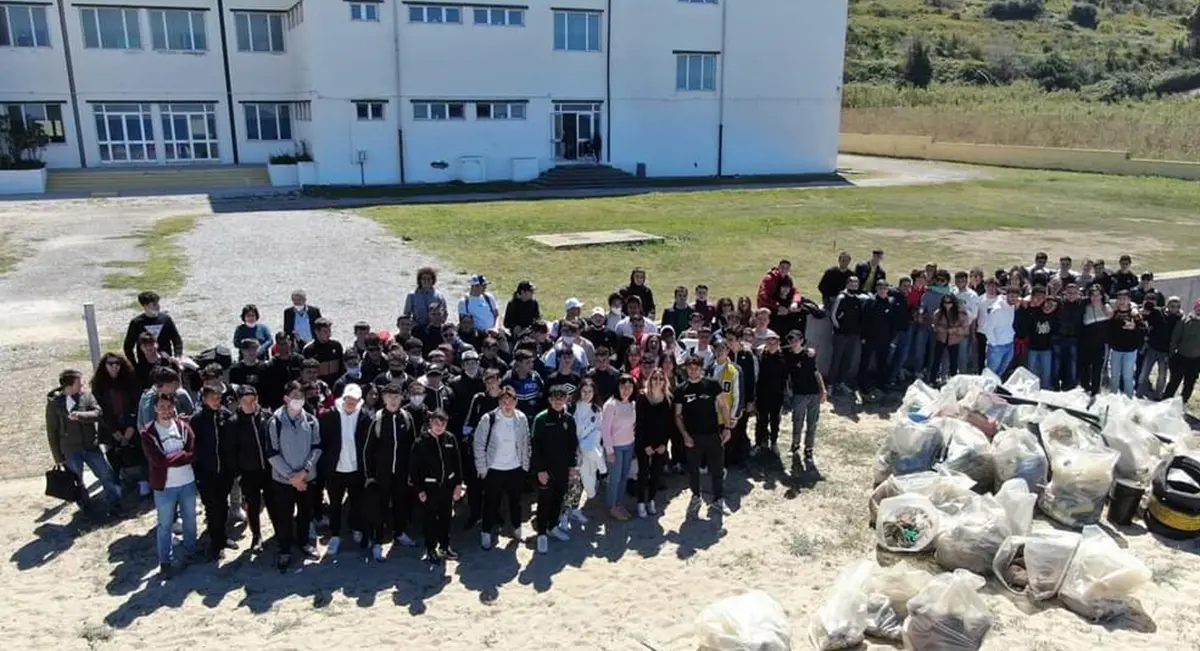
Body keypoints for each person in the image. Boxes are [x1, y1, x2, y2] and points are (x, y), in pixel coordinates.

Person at [47, 369, 123, 515]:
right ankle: (85, 507)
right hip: (70, 450)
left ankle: (115, 503)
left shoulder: (86, 397)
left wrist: (80, 415)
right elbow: (52, 431)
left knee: (106, 474)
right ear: (69, 385)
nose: (82, 384)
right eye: (78, 382)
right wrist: (58, 457)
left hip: (90, 446)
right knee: (77, 480)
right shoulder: (55, 404)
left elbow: (98, 413)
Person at [139, 392, 197, 577]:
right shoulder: (148, 432)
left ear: (174, 407)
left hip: (187, 482)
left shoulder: (183, 427)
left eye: (169, 406)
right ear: (155, 409)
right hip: (165, 486)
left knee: (190, 520)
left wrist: (170, 458)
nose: (165, 411)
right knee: (164, 525)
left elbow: (193, 453)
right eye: (161, 407)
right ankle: (165, 561)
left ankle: (190, 552)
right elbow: (157, 460)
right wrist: (181, 456)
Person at [266, 381, 322, 571]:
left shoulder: (312, 420)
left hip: (307, 478)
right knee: (284, 517)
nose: (298, 401)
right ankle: (284, 549)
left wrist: (304, 471)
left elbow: (317, 447)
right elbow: (272, 453)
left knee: (306, 514)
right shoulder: (275, 421)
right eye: (295, 397)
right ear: (286, 398)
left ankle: (305, 543)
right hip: (283, 480)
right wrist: (292, 477)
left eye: (301, 397)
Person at [362, 383, 418, 562]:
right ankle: (377, 542)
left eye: (396, 396)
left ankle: (400, 533)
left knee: (401, 504)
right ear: (383, 399)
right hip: (381, 474)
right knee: (379, 508)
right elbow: (367, 450)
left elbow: (413, 448)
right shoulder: (377, 419)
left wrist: (412, 473)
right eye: (389, 397)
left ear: (402, 398)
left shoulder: (407, 418)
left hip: (401, 473)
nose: (393, 400)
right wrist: (369, 475)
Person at [474, 385, 532, 550]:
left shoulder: (521, 418)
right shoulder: (489, 418)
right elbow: (478, 443)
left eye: (510, 400)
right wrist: (482, 467)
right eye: (503, 401)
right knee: (491, 502)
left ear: (515, 401)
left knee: (516, 502)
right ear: (499, 401)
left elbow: (526, 442)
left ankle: (517, 529)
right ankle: (486, 532)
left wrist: (525, 465)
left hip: (515, 468)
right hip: (494, 468)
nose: (507, 404)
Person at [674, 355, 731, 517]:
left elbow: (723, 405)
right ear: (686, 369)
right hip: (692, 437)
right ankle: (695, 497)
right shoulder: (681, 389)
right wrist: (685, 435)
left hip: (713, 434)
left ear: (701, 369)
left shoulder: (712, 384)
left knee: (717, 468)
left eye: (697, 368)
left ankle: (718, 499)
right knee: (693, 470)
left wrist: (727, 427)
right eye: (690, 368)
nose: (693, 371)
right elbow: (678, 415)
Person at [318, 383, 371, 558]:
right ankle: (334, 535)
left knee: (357, 503)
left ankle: (356, 528)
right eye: (348, 399)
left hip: (356, 469)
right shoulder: (330, 416)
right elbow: (323, 442)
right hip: (336, 470)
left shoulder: (364, 418)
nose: (351, 403)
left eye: (354, 400)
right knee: (335, 505)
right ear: (344, 398)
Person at [410, 409, 465, 563]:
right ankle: (430, 549)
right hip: (429, 488)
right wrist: (419, 489)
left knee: (446, 518)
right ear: (430, 423)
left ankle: (445, 546)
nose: (439, 427)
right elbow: (414, 469)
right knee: (430, 520)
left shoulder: (450, 439)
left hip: (447, 487)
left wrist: (458, 485)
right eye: (436, 423)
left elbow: (457, 463)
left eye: (443, 423)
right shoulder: (421, 442)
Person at [90, 353, 146, 497]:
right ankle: (118, 483)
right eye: (110, 364)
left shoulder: (130, 381)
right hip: (109, 427)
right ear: (104, 366)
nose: (114, 367)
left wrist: (131, 427)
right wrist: (114, 431)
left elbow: (136, 404)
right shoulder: (98, 385)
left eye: (117, 363)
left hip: (130, 425)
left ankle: (143, 481)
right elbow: (100, 409)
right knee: (113, 454)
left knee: (137, 451)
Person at [530, 385, 578, 553]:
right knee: (544, 502)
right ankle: (542, 533)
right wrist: (540, 470)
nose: (558, 401)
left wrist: (572, 466)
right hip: (545, 470)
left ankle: (553, 526)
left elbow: (573, 445)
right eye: (555, 398)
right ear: (549, 400)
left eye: (561, 397)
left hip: (563, 468)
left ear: (566, 399)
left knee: (558, 498)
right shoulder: (541, 419)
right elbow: (535, 446)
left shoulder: (569, 420)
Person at [192, 385, 237, 561]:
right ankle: (215, 543)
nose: (217, 401)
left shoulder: (225, 415)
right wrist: (198, 472)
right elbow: (193, 447)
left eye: (219, 398)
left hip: (224, 472)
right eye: (213, 397)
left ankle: (223, 536)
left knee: (223, 506)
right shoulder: (197, 420)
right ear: (204, 399)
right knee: (212, 509)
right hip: (206, 473)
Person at [230, 385, 272, 552]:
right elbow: (230, 452)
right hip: (248, 472)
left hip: (268, 469)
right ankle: (256, 536)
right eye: (245, 401)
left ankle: (280, 533)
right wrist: (238, 474)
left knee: (274, 503)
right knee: (253, 506)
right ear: (239, 402)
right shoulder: (233, 423)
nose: (249, 404)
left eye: (252, 400)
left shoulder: (266, 417)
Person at [562, 378, 605, 529]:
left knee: (581, 482)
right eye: (584, 391)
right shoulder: (571, 407)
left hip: (588, 451)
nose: (587, 394)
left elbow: (599, 430)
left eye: (590, 392)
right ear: (579, 392)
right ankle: (564, 514)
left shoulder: (597, 410)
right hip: (572, 450)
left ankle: (574, 509)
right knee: (570, 483)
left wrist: (589, 446)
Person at [785, 330, 827, 475]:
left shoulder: (809, 355)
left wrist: (823, 391)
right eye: (790, 340)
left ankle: (809, 449)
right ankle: (795, 445)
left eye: (795, 339)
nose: (793, 342)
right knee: (797, 421)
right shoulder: (788, 354)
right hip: (798, 394)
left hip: (813, 393)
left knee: (812, 423)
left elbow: (816, 372)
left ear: (802, 340)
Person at [635, 369, 671, 519]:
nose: (657, 381)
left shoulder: (668, 399)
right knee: (643, 473)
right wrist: (646, 445)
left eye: (660, 379)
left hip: (660, 443)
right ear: (650, 380)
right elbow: (640, 423)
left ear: (665, 381)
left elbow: (669, 425)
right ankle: (640, 502)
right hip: (644, 443)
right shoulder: (643, 397)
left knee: (656, 473)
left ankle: (651, 500)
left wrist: (664, 443)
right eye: (654, 378)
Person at [600, 375, 637, 521]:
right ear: (618, 387)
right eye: (623, 387)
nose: (626, 390)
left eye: (629, 387)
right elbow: (605, 430)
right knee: (614, 479)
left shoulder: (632, 404)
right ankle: (612, 506)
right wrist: (609, 451)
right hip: (615, 447)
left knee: (623, 477)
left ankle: (620, 503)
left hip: (629, 445)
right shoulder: (611, 405)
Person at [123, 290, 183, 364]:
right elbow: (128, 347)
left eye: (158, 303)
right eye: (154, 304)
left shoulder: (166, 319)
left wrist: (178, 356)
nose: (158, 306)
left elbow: (176, 339)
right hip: (145, 366)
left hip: (166, 363)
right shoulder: (136, 323)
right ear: (145, 306)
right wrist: (134, 365)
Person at [1140, 296, 1180, 399]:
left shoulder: (1179, 319)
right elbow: (1144, 313)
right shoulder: (1158, 312)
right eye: (1172, 306)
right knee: (1144, 374)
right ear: (1167, 305)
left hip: (1165, 352)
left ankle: (1158, 396)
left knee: (1162, 376)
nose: (1174, 308)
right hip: (1152, 348)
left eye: (1176, 306)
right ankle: (1140, 393)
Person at [829, 276, 864, 394]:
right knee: (836, 360)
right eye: (852, 284)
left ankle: (842, 382)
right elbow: (833, 315)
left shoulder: (858, 300)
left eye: (856, 285)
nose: (854, 287)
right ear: (847, 284)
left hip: (853, 335)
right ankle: (831, 385)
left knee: (848, 359)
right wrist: (839, 328)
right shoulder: (841, 298)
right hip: (841, 335)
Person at [754, 332, 787, 457]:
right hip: (762, 394)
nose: (772, 345)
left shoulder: (783, 358)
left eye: (775, 342)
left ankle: (773, 443)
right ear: (766, 343)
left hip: (777, 395)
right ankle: (758, 444)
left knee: (775, 421)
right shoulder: (761, 356)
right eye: (769, 342)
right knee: (761, 421)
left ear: (778, 343)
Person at [1164, 298, 1200, 404]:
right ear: (1195, 307)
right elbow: (1175, 338)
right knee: (1174, 382)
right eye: (1198, 308)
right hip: (1181, 357)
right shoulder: (1185, 320)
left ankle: (1182, 404)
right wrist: (1171, 354)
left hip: (1196, 360)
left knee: (1189, 384)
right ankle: (1166, 401)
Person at [1079, 284, 1113, 395]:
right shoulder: (1084, 305)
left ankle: (1095, 392)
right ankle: (1085, 389)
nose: (1095, 297)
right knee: (1084, 368)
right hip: (1085, 343)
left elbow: (1127, 305)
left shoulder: (1106, 306)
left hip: (1100, 344)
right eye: (1092, 295)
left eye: (1097, 295)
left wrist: (1106, 304)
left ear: (1102, 295)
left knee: (1097, 370)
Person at [303, 318, 344, 387]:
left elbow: (342, 367)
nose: (329, 334)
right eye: (325, 332)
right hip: (318, 387)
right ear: (317, 332)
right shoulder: (309, 350)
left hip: (336, 385)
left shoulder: (336, 346)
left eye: (329, 331)